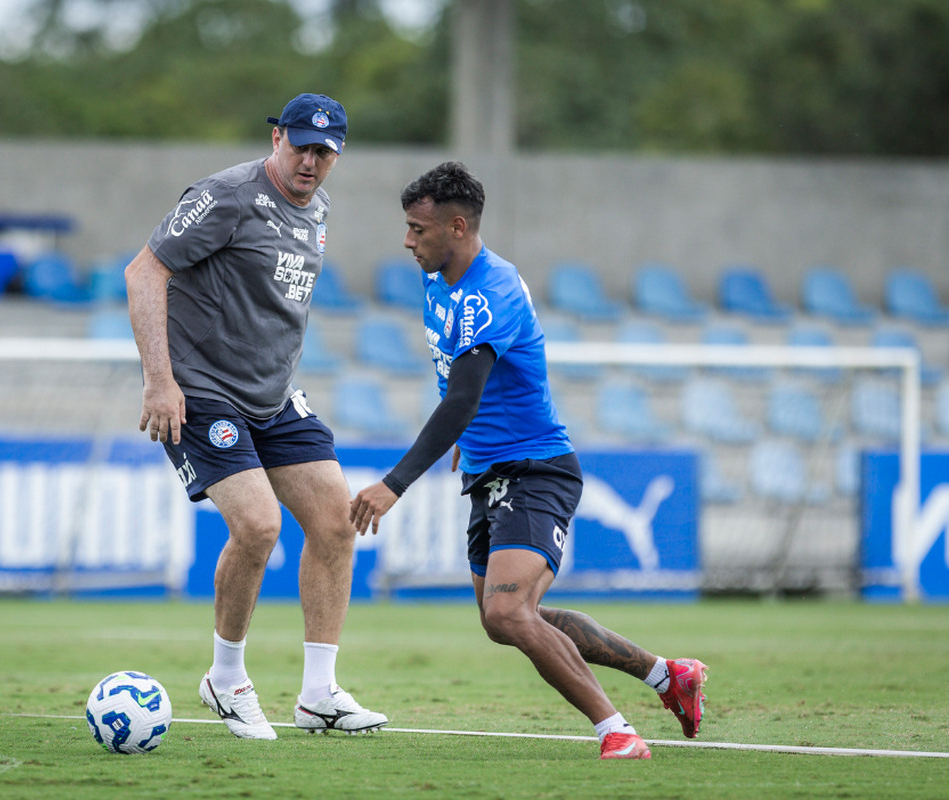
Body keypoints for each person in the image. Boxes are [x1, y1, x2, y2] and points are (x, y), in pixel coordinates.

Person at [349, 161, 707, 760]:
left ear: (458, 227)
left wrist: (394, 484)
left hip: (535, 469)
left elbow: (463, 396)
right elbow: (463, 387)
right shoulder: (439, 279)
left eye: (418, 229)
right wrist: (472, 438)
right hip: (488, 471)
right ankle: (669, 677)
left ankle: (616, 731)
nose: (407, 241)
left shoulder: (491, 292)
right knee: (504, 619)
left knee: (510, 613)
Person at [124, 93, 387, 740]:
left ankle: (320, 694)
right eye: (301, 145)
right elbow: (143, 272)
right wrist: (161, 380)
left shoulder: (319, 208)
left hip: (273, 397)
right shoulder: (227, 195)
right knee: (260, 526)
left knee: (334, 522)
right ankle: (226, 677)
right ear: (277, 138)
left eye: (325, 152)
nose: (312, 161)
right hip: (203, 393)